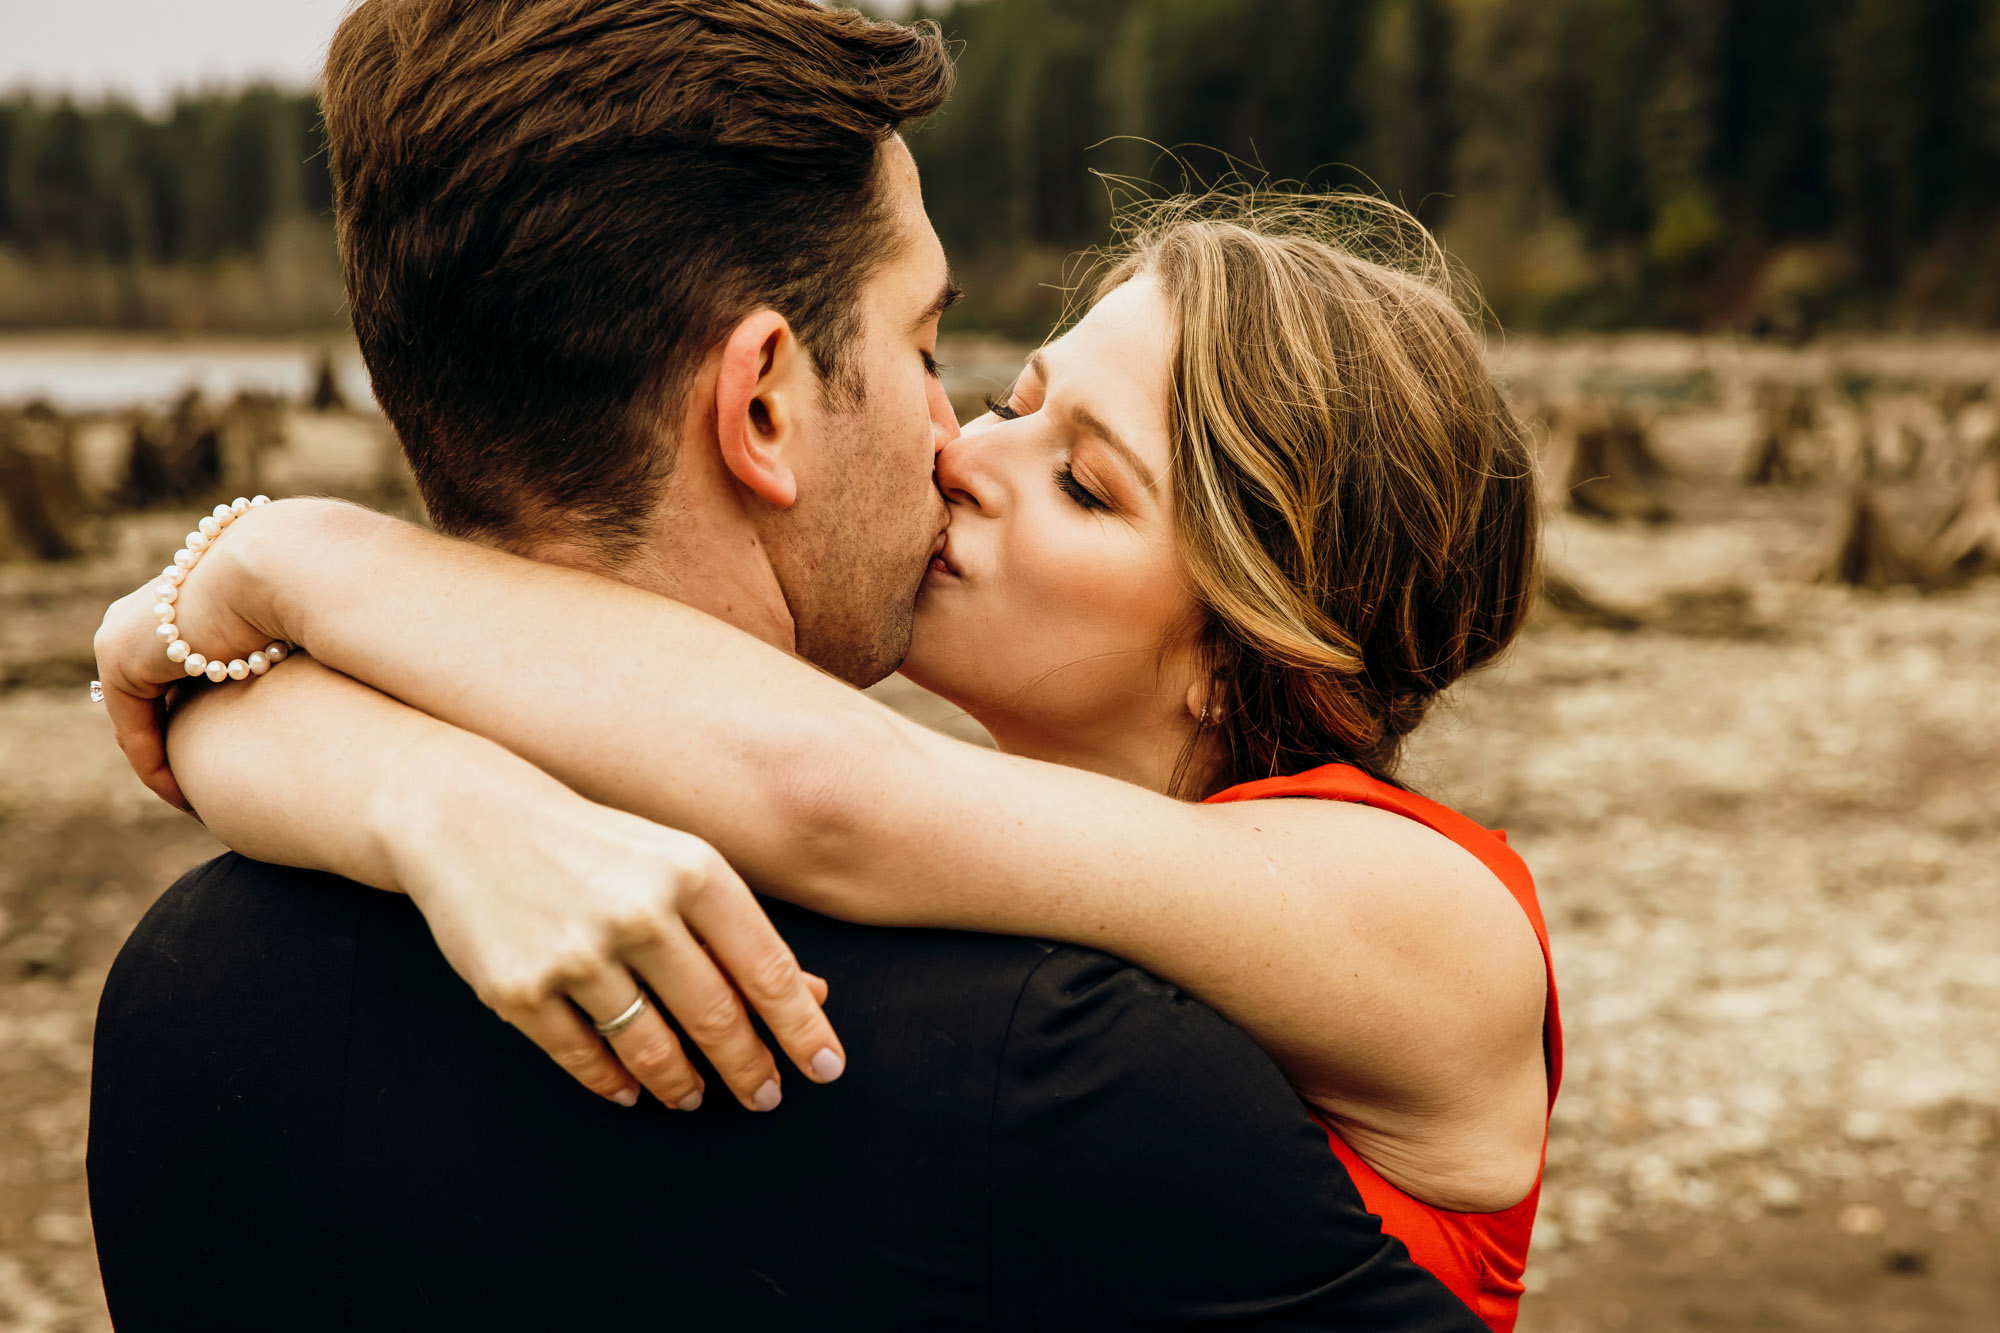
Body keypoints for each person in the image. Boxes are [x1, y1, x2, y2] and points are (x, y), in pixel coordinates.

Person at [86, 1, 1513, 1329]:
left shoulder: (1423, 920)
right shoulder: (1050, 1038)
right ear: (762, 399)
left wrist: (295, 562)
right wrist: (428, 792)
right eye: (978, 375)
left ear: (1245, 644)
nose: (963, 447)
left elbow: (839, 794)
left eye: (1086, 482)